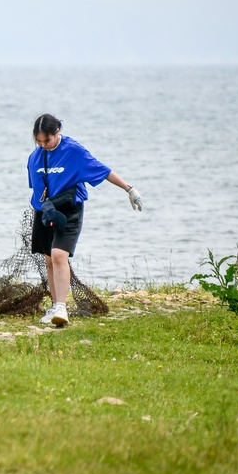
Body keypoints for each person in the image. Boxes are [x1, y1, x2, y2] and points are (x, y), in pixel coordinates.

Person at [28, 114, 142, 326]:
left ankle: (62, 308)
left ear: (57, 132)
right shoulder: (35, 157)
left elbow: (103, 170)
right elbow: (36, 188)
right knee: (49, 259)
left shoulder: (73, 151)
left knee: (59, 255)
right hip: (45, 212)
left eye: (47, 140)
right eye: (39, 141)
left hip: (69, 210)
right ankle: (55, 305)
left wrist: (129, 189)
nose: (43, 145)